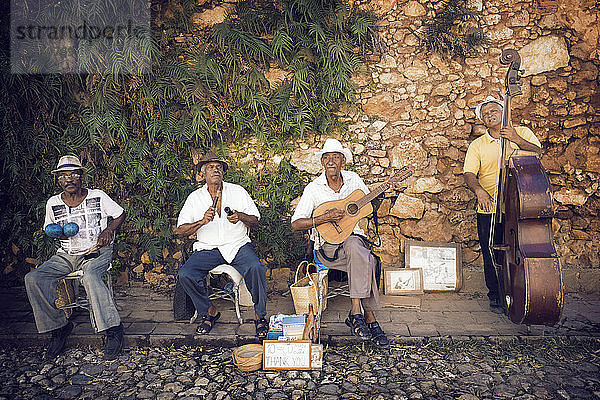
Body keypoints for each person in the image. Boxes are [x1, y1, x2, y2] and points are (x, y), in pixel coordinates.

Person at [25, 155, 126, 360]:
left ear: (81, 177)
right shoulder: (53, 203)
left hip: (96, 251)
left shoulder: (97, 196)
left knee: (89, 276)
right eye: (63, 176)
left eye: (73, 174)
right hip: (67, 254)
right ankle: (59, 327)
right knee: (34, 279)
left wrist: (108, 230)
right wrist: (59, 233)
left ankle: (113, 329)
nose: (69, 179)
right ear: (58, 180)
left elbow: (120, 214)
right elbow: (50, 229)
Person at [291, 139, 389, 347]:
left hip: (354, 242)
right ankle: (369, 318)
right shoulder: (314, 188)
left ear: (343, 160)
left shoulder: (354, 180)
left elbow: (367, 206)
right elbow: (296, 223)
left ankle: (356, 313)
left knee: (357, 248)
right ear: (322, 163)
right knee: (367, 260)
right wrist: (323, 219)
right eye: (327, 158)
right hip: (329, 247)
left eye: (336, 156)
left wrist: (379, 196)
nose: (331, 161)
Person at [174, 150, 268, 338]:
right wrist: (201, 222)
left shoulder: (237, 191)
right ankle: (209, 311)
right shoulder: (195, 198)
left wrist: (240, 216)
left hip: (237, 244)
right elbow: (180, 230)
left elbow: (256, 219)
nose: (215, 170)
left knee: (256, 268)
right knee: (186, 274)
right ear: (203, 174)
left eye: (219, 167)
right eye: (210, 168)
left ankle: (260, 316)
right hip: (208, 248)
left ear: (223, 173)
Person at [463, 96, 542, 313]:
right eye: (485, 114)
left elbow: (538, 154)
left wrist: (516, 139)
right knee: (491, 251)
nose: (490, 115)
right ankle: (496, 295)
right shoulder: (477, 145)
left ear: (504, 111)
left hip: (520, 204)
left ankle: (524, 291)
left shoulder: (523, 132)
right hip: (490, 207)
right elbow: (469, 173)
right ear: (483, 121)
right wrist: (479, 191)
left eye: (493, 110)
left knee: (521, 249)